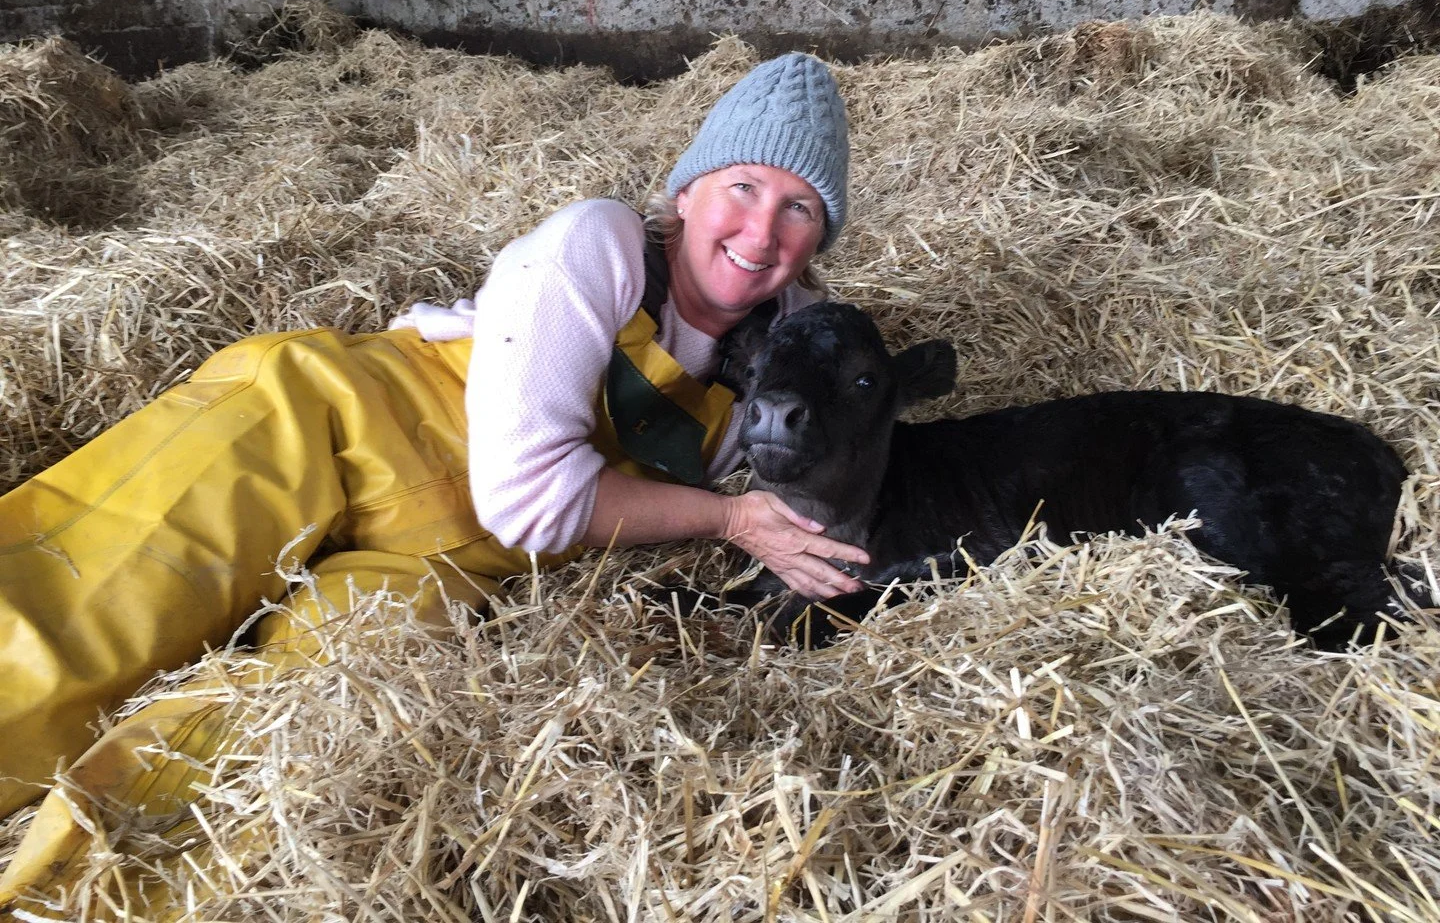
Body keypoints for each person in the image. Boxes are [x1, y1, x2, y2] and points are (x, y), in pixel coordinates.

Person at [0, 52, 868, 915]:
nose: (763, 234)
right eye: (744, 188)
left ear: (820, 237)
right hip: (322, 428)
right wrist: (727, 520)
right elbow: (532, 499)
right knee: (77, 616)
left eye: (800, 208)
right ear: (688, 192)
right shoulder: (599, 241)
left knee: (262, 746)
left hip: (450, 560)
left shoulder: (797, 341)